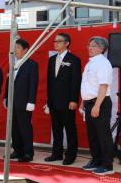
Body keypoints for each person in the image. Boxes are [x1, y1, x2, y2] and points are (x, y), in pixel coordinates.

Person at [45, 33, 81, 165]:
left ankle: (71, 155)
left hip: (67, 102)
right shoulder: (51, 59)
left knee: (69, 128)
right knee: (56, 128)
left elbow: (75, 81)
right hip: (54, 101)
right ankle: (57, 153)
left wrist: (74, 100)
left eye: (58, 41)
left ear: (67, 43)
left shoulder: (74, 59)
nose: (55, 43)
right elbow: (49, 82)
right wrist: (48, 100)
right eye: (54, 41)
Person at [80, 36, 114, 175]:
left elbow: (103, 85)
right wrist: (83, 101)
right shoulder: (90, 63)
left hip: (100, 103)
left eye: (93, 45)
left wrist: (97, 106)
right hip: (89, 103)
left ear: (101, 48)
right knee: (92, 134)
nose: (90, 47)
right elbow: (88, 85)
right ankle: (96, 160)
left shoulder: (103, 63)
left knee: (103, 134)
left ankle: (107, 165)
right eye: (89, 45)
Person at [4, 38, 38, 162]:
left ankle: (28, 152)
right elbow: (8, 82)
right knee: (14, 128)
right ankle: (17, 151)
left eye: (18, 48)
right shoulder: (12, 64)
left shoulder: (31, 65)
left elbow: (33, 84)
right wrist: (6, 97)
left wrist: (31, 101)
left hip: (24, 103)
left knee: (25, 128)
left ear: (25, 50)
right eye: (15, 48)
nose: (15, 50)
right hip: (12, 102)